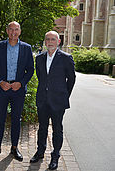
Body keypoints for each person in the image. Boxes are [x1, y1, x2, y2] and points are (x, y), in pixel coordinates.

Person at [0, 21, 34, 161]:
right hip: (2, 88)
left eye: (16, 29)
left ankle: (14, 148)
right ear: (7, 31)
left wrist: (21, 83)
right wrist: (0, 82)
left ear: (20, 31)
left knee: (16, 120)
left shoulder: (26, 48)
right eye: (11, 29)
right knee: (0, 119)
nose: (13, 32)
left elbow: (30, 70)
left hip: (18, 90)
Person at [30, 31, 76, 170]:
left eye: (53, 39)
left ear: (58, 42)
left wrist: (64, 95)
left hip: (58, 100)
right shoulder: (39, 58)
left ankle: (55, 155)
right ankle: (40, 152)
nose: (50, 42)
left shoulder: (66, 58)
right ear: (45, 41)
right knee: (42, 127)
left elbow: (71, 79)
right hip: (43, 99)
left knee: (57, 129)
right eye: (48, 39)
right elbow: (41, 77)